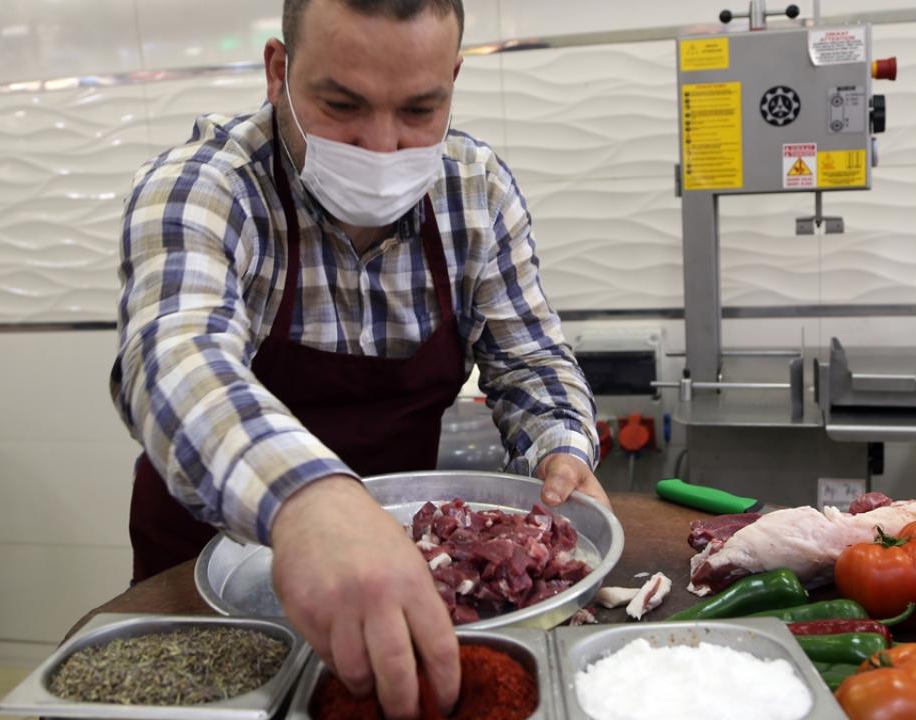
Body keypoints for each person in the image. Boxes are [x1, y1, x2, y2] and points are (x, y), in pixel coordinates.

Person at [108, 0, 608, 716]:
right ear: (279, 71)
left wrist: (560, 447)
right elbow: (171, 359)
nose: (381, 146)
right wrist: (311, 502)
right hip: (215, 579)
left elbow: (531, 362)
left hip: (415, 570)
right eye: (342, 105)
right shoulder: (207, 187)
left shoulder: (475, 189)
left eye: (418, 110)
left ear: (454, 80)